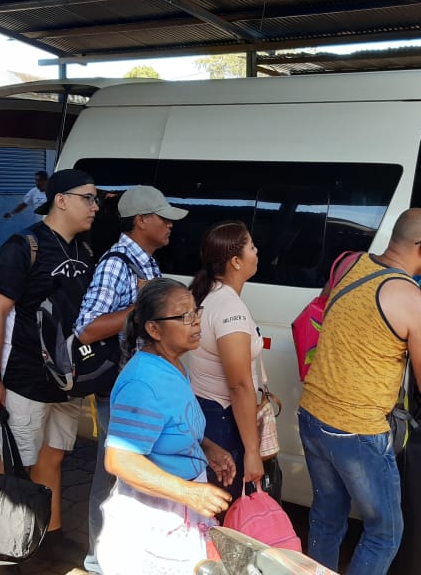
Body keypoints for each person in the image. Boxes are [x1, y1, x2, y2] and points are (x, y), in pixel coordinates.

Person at [298, 208, 421, 575]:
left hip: (312, 414)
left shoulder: (348, 264)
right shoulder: (414, 302)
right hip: (357, 431)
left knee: (327, 519)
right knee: (384, 532)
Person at [0, 169, 99, 562]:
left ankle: (50, 534)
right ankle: (0, 547)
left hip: (66, 380)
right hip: (23, 378)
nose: (95, 207)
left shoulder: (85, 251)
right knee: (14, 464)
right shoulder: (23, 245)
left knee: (54, 456)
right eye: (88, 198)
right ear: (60, 199)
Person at [74, 184, 187, 575]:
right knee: (114, 474)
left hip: (142, 387)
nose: (171, 224)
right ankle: (98, 558)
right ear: (140, 220)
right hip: (120, 390)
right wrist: (141, 307)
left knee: (130, 473)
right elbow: (86, 328)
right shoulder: (117, 264)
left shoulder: (147, 264)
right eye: (163, 217)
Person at [96, 278, 237, 575]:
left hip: (178, 515)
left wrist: (207, 448)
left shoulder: (174, 365)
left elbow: (172, 425)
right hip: (151, 523)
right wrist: (189, 492)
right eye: (184, 316)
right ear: (154, 329)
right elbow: (120, 459)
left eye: (195, 312)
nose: (195, 322)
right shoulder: (142, 381)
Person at [186, 220, 265, 501]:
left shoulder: (208, 294)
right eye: (252, 247)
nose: (257, 252)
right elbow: (240, 385)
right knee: (223, 511)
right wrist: (253, 453)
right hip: (223, 423)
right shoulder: (230, 307)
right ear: (235, 261)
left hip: (207, 413)